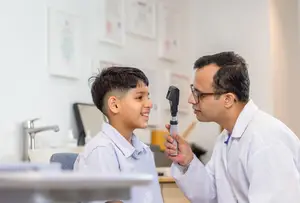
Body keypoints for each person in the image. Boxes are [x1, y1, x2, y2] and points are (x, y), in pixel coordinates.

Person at [164, 51, 300, 203]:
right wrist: (187, 161)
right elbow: (210, 195)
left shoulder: (266, 141)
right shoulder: (225, 138)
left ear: (228, 99)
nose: (191, 100)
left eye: (199, 94)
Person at [74, 66, 163, 203]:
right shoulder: (101, 151)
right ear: (114, 105)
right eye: (139, 97)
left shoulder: (145, 152)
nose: (149, 104)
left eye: (148, 97)